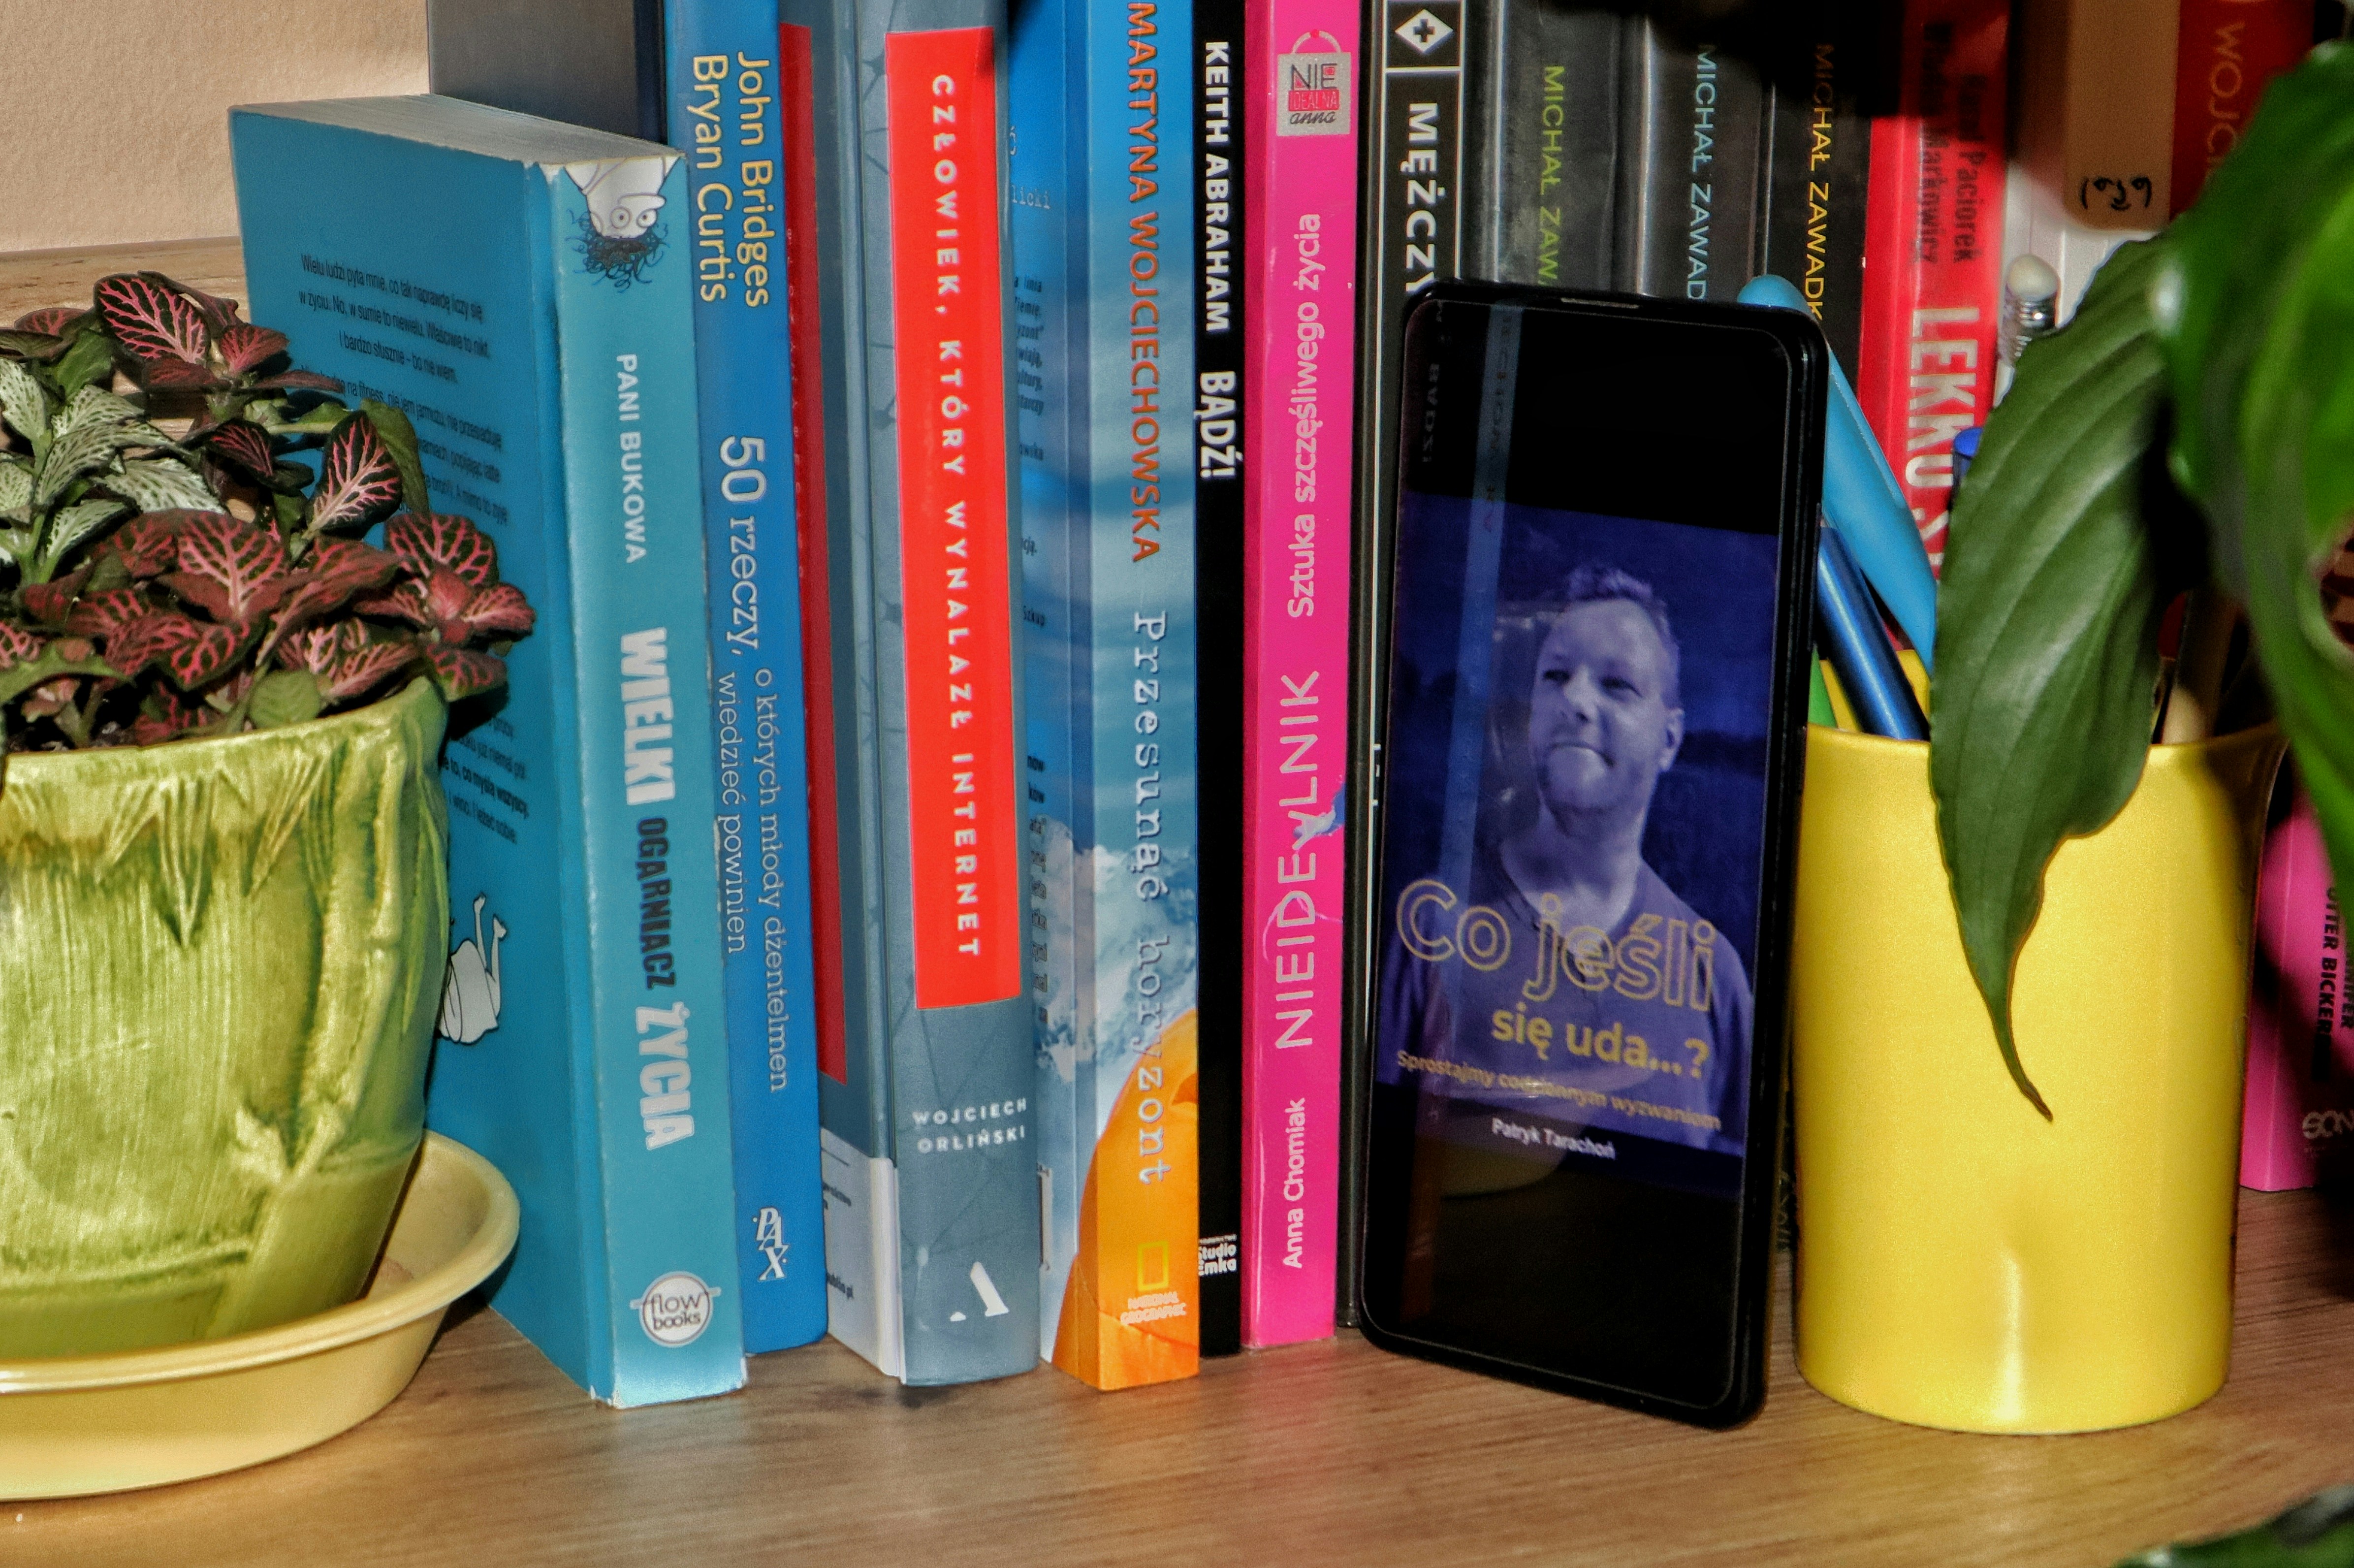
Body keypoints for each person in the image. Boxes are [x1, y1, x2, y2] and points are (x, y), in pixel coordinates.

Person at [1378, 565, 1753, 1154]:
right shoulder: (1430, 924)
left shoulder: (1717, 978)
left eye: (1617, 684)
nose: (1575, 698)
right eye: (1556, 675)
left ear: (1671, 740)